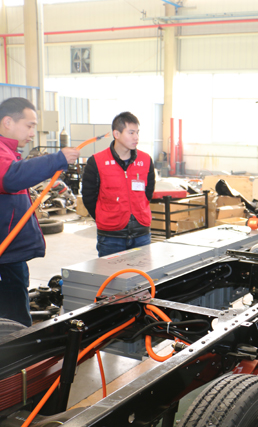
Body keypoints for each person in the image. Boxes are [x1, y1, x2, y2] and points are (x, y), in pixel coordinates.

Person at [0, 97, 79, 326]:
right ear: (8, 122)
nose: (33, 133)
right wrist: (57, 159)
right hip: (5, 254)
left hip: (10, 254)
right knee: (13, 322)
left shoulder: (10, 152)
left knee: (16, 311)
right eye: (29, 125)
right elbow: (11, 177)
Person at [82, 112, 155, 257]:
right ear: (116, 134)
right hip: (111, 237)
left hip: (141, 234)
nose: (136, 137)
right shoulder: (96, 162)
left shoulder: (146, 160)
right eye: (131, 132)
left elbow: (148, 192)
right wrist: (106, 217)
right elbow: (89, 197)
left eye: (137, 132)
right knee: (111, 272)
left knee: (142, 271)